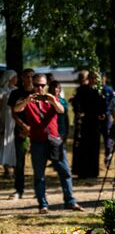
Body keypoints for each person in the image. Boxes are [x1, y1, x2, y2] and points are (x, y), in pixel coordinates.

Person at [13, 73, 84, 214]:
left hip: (55, 141)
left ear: (46, 85)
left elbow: (62, 110)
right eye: (37, 85)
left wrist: (52, 100)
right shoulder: (27, 99)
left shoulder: (52, 98)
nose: (40, 88)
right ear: (32, 84)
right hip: (38, 142)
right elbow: (16, 109)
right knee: (39, 175)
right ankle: (43, 205)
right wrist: (27, 101)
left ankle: (70, 201)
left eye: (42, 85)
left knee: (65, 172)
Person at [72, 70, 106, 179]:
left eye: (95, 78)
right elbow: (76, 103)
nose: (93, 80)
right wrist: (79, 113)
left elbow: (103, 106)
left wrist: (103, 114)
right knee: (84, 147)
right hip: (85, 122)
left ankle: (93, 172)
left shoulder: (100, 91)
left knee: (95, 147)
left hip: (95, 123)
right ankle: (83, 172)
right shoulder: (82, 90)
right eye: (91, 78)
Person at [7, 68, 34, 200]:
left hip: (36, 131)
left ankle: (39, 190)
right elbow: (13, 112)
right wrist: (23, 126)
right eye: (27, 76)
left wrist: (32, 128)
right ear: (22, 78)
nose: (29, 79)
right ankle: (19, 190)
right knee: (20, 163)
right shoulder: (16, 93)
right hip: (21, 131)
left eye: (31, 76)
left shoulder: (38, 93)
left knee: (38, 161)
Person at [0, 70, 18, 179]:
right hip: (5, 121)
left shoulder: (17, 90)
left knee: (14, 145)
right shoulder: (2, 91)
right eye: (15, 77)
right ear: (9, 78)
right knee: (4, 144)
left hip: (15, 121)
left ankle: (16, 169)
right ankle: (7, 170)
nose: (17, 79)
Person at [101, 73, 115, 165]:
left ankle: (108, 156)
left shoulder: (109, 90)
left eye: (102, 77)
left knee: (107, 138)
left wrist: (109, 114)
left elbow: (113, 103)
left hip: (107, 118)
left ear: (105, 78)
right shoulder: (96, 90)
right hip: (97, 118)